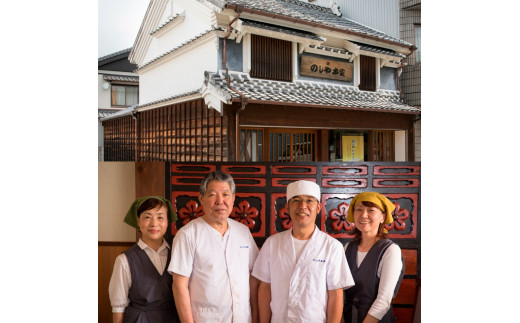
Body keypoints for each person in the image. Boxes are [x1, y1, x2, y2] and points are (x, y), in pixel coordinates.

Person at [252, 180, 355, 323]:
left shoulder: (332, 247)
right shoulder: (272, 243)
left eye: (309, 201)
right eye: (296, 200)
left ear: (318, 207)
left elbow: (336, 295)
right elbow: (265, 287)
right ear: (287, 207)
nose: (302, 206)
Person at [168, 170, 260, 323]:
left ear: (233, 199)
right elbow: (179, 286)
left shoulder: (243, 232)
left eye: (225, 194)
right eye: (212, 195)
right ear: (201, 198)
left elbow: (252, 276)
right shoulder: (188, 234)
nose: (220, 201)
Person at [108, 196, 180, 323]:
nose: (154, 223)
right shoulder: (124, 260)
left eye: (160, 217)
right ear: (138, 221)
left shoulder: (177, 255)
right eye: (147, 217)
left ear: (167, 221)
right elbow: (118, 308)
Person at [342, 192, 405, 323]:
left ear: (383, 217)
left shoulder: (390, 250)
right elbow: (339, 290)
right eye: (359, 209)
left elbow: (384, 300)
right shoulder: (348, 248)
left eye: (371, 210)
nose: (363, 215)